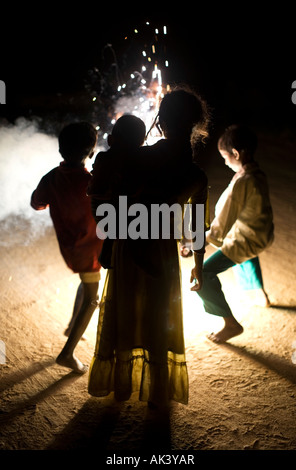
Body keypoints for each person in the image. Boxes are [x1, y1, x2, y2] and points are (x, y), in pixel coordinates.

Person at [88, 87, 209, 407]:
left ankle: (123, 384)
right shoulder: (196, 174)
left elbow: (117, 202)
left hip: (130, 246)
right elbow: (196, 228)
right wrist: (199, 264)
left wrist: (109, 243)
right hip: (163, 254)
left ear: (161, 121)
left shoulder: (141, 156)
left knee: (128, 311)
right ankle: (157, 389)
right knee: (160, 314)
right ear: (195, 125)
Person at [31, 122, 103, 373]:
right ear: (91, 153)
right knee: (93, 299)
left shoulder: (51, 178)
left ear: (60, 150)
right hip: (91, 250)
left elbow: (36, 203)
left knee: (86, 283)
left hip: (71, 249)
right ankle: (67, 354)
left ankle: (73, 324)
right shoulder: (92, 183)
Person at [194, 124, 274, 344]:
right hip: (259, 235)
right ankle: (260, 294)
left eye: (225, 157)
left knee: (204, 274)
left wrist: (197, 242)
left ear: (236, 154)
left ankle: (230, 323)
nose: (224, 161)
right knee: (243, 253)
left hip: (247, 239)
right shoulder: (257, 174)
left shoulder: (242, 182)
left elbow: (220, 228)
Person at [88, 114, 146, 268]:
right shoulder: (135, 162)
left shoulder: (103, 158)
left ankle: (108, 255)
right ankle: (134, 258)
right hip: (107, 206)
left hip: (100, 208)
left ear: (110, 140)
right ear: (141, 144)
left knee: (116, 230)